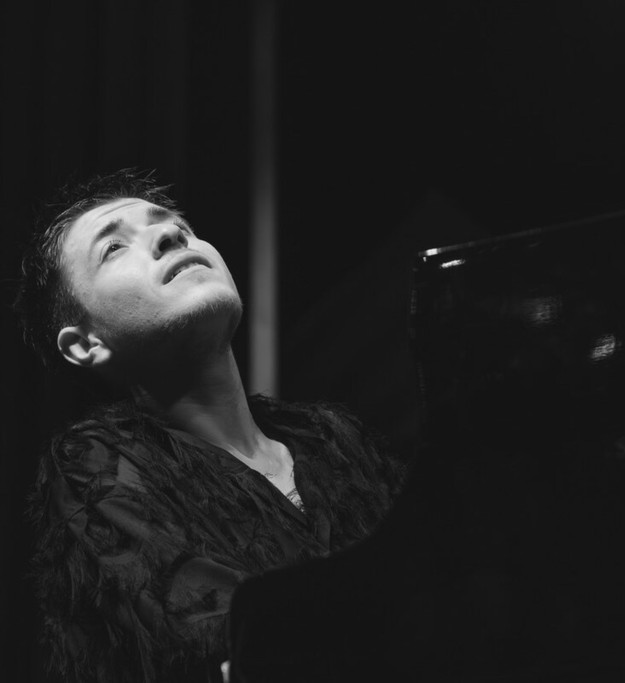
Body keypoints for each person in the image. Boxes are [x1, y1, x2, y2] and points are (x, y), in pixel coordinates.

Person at [14, 169, 406, 682]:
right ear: (86, 344)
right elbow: (234, 643)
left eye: (178, 225)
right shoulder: (95, 464)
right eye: (113, 247)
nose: (169, 234)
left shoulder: (333, 438)